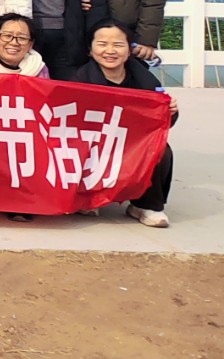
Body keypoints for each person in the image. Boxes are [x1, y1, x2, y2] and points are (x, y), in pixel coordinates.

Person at [76, 20, 178, 228]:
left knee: (161, 149)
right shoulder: (79, 80)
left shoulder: (145, 81)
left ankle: (145, 205)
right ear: (90, 50)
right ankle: (86, 197)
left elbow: (161, 125)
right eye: (102, 44)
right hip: (93, 144)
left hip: (131, 144)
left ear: (129, 50)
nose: (110, 51)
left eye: (118, 45)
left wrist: (171, 112)